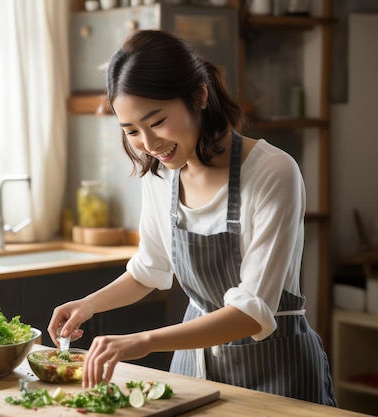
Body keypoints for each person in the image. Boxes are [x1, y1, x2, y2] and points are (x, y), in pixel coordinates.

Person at [48, 29, 337, 406]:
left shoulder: (273, 172)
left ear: (199, 95)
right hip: (194, 368)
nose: (149, 145)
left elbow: (251, 312)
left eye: (157, 122)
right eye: (132, 131)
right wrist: (89, 304)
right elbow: (148, 269)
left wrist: (144, 341)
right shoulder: (159, 175)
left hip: (277, 370)